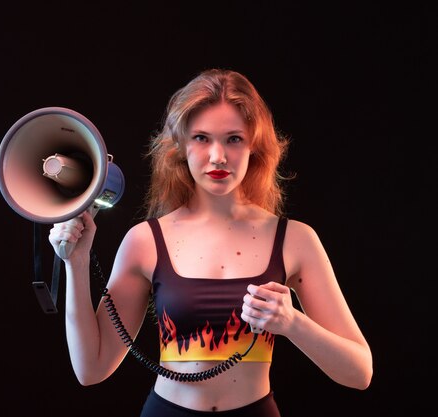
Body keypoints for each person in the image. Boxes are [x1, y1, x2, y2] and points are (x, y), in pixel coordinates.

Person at [48, 68, 372, 416]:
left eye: (233, 138)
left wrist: (294, 324)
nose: (218, 156)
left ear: (254, 146)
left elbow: (359, 372)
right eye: (202, 138)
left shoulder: (295, 239)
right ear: (181, 146)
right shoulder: (145, 241)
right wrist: (76, 263)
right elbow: (91, 369)